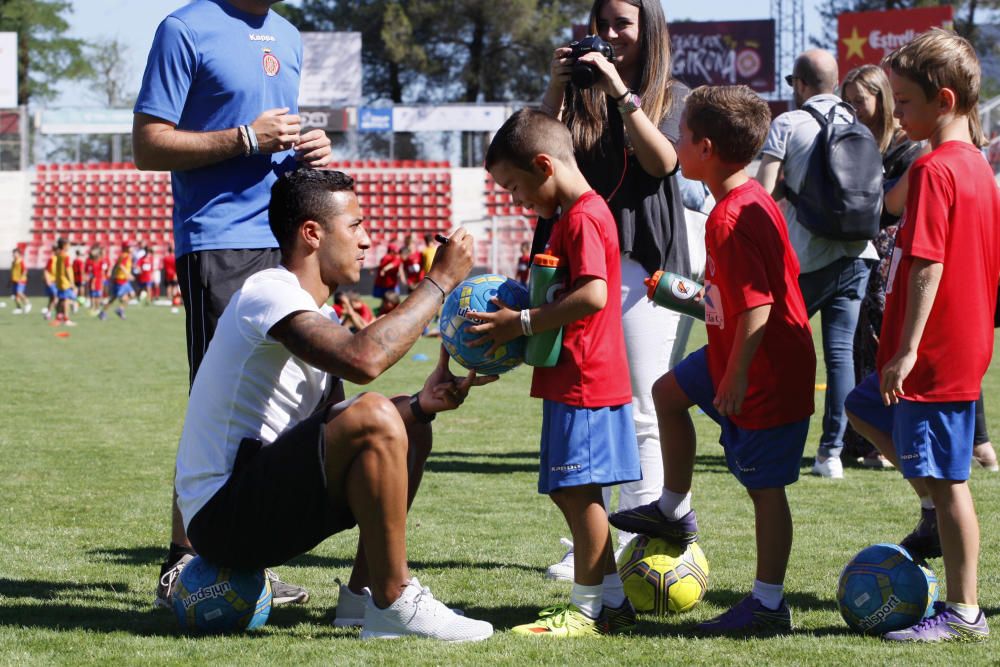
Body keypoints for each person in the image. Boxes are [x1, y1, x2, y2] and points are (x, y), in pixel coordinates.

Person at [174, 167, 494, 641]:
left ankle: (362, 600)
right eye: (356, 225)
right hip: (220, 519)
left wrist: (422, 406)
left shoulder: (317, 312)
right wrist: (440, 281)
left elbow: (335, 426)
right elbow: (363, 360)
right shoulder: (268, 291)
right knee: (374, 410)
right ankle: (395, 600)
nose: (367, 240)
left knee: (409, 423)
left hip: (262, 502)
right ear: (312, 234)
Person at [133, 0, 333, 606]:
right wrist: (245, 137)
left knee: (287, 410)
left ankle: (245, 557)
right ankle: (183, 562)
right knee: (217, 410)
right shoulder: (184, 30)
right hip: (217, 240)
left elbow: (275, 143)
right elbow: (148, 145)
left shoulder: (289, 34)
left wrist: (309, 148)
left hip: (284, 239)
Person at [610, 86, 816, 635]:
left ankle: (768, 606)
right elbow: (740, 298)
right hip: (740, 351)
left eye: (681, 135)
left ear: (703, 148)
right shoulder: (747, 200)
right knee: (666, 394)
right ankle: (673, 510)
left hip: (765, 369)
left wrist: (736, 376)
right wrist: (685, 296)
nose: (675, 143)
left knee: (765, 490)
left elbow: (761, 306)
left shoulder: (730, 217)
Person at [845, 29, 998, 642]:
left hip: (934, 352)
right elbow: (889, 209)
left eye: (903, 102)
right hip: (948, 346)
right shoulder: (973, 167)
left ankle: (963, 612)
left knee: (953, 480)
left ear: (943, 100)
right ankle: (931, 515)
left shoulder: (939, 168)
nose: (895, 112)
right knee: (861, 408)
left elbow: (929, 261)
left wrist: (906, 348)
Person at [538, 0, 695, 576]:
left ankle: (646, 526)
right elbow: (539, 154)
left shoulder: (670, 93)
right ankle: (593, 538)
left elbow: (662, 163)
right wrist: (556, 91)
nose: (608, 35)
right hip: (575, 253)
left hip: (642, 261)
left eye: (621, 25)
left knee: (641, 401)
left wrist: (618, 91)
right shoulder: (575, 95)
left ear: (647, 30)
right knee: (583, 397)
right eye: (600, 25)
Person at [472, 109, 640, 637]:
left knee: (578, 490)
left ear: (544, 165)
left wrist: (520, 323)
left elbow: (593, 294)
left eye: (515, 186)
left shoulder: (585, 216)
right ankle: (610, 601)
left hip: (586, 379)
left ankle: (587, 609)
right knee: (570, 489)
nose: (515, 200)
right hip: (572, 375)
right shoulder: (571, 215)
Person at [755, 48, 879, 480]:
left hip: (806, 258)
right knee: (840, 355)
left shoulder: (789, 123)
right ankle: (830, 454)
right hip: (858, 253)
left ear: (801, 85)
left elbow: (762, 194)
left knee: (776, 348)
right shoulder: (856, 123)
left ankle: (773, 440)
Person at [840, 64, 925, 470]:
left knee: (881, 335)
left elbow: (894, 207)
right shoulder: (849, 140)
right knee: (857, 340)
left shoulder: (907, 148)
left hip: (890, 253)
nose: (855, 108)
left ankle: (887, 434)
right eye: (849, 101)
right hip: (855, 249)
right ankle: (858, 439)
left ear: (882, 98)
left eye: (861, 100)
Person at [100, 244, 134, 320]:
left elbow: (116, 265)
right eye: (131, 247)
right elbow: (121, 266)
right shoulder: (125, 256)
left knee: (132, 294)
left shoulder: (124, 255)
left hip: (123, 280)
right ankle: (103, 312)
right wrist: (128, 274)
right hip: (120, 280)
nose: (132, 248)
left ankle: (120, 309)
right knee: (115, 298)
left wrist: (113, 274)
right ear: (126, 248)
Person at [53, 239, 77, 326]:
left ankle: (58, 317)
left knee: (61, 299)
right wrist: (72, 283)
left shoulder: (59, 255)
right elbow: (67, 269)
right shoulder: (65, 256)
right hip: (65, 282)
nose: (70, 246)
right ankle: (66, 319)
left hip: (60, 281)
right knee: (66, 300)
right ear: (64, 245)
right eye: (69, 244)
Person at [373, 243, 403, 308]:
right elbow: (393, 264)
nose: (396, 252)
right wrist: (384, 269)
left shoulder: (384, 258)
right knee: (393, 300)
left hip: (386, 283)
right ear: (391, 250)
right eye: (395, 251)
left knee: (385, 301)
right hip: (390, 284)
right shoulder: (393, 258)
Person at [10, 247, 29, 314]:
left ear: (19, 254)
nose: (14, 255)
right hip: (14, 280)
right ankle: (19, 308)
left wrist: (21, 278)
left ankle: (27, 304)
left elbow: (25, 270)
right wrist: (10, 281)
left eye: (15, 253)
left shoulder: (20, 261)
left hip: (21, 281)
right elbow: (13, 272)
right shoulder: (13, 262)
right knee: (15, 296)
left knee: (19, 293)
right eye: (13, 253)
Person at [42, 244, 58, 320]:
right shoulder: (52, 259)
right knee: (55, 297)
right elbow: (46, 270)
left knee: (52, 299)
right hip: (52, 282)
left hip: (57, 282)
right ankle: (59, 314)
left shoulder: (60, 259)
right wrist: (48, 280)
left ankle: (48, 314)